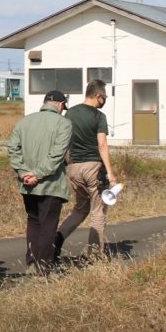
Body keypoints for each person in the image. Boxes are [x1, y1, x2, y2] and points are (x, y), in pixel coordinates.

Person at [7, 89, 73, 274]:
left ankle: (31, 262)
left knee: (34, 221)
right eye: (63, 107)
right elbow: (57, 155)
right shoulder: (64, 124)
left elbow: (12, 148)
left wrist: (23, 172)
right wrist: (37, 173)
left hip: (27, 184)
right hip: (50, 184)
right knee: (48, 225)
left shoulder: (24, 122)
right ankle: (44, 266)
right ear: (61, 105)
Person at [56, 78, 117, 260]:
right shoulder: (99, 116)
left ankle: (57, 239)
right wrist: (110, 173)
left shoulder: (70, 113)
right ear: (98, 95)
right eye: (105, 96)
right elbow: (102, 144)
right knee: (98, 211)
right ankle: (95, 254)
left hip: (74, 168)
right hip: (93, 168)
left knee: (80, 209)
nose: (105, 100)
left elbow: (64, 140)